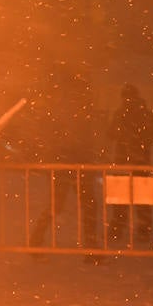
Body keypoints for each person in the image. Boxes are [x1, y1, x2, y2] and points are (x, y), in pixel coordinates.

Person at [27, 63, 101, 257]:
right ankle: (91, 248)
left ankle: (36, 241)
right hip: (74, 159)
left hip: (67, 160)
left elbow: (60, 132)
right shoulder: (76, 102)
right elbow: (78, 133)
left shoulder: (63, 101)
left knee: (60, 204)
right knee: (86, 204)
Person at [106, 83, 153, 242]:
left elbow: (111, 133)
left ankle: (117, 227)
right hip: (141, 160)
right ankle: (143, 229)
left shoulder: (120, 113)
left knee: (120, 198)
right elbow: (151, 136)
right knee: (142, 198)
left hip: (122, 160)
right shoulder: (146, 113)